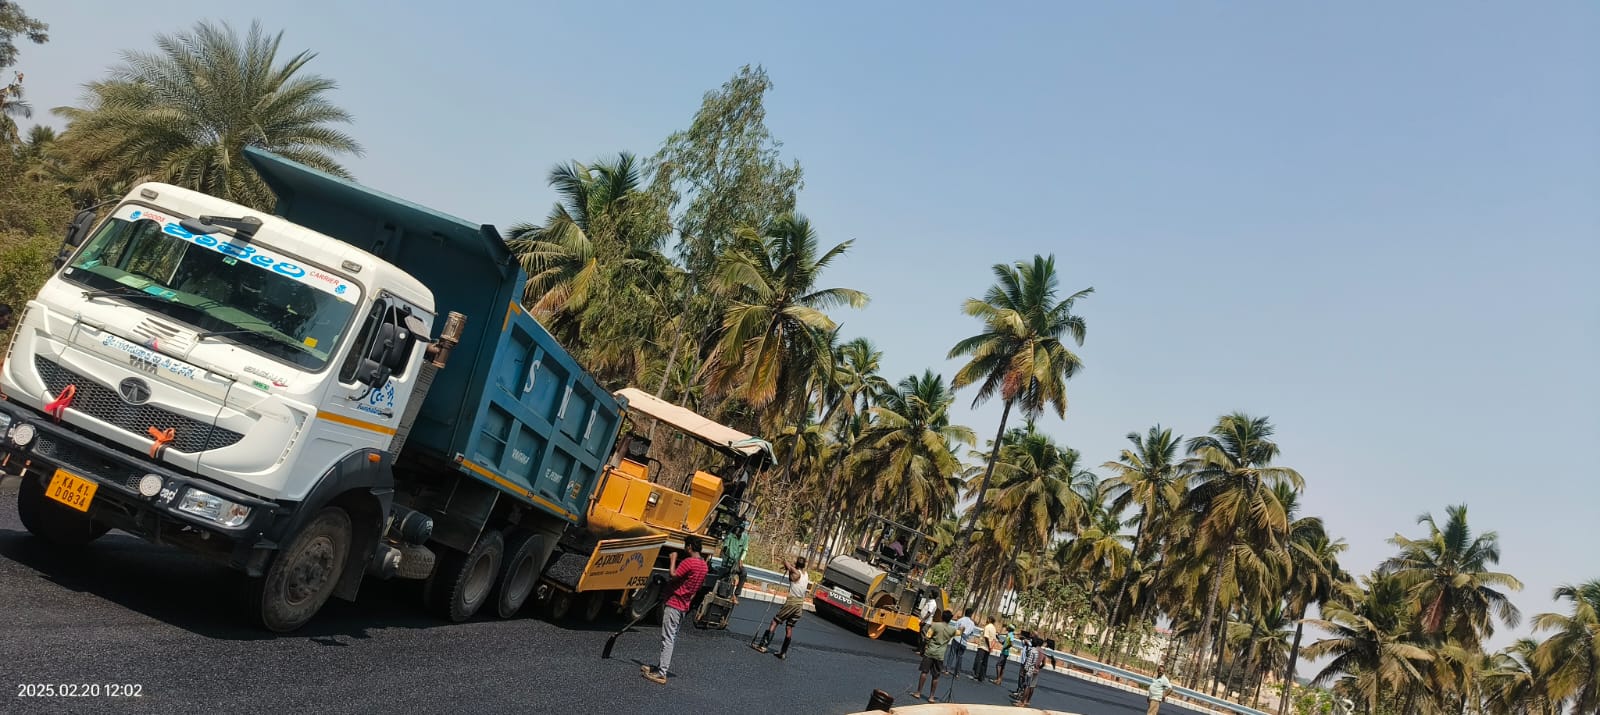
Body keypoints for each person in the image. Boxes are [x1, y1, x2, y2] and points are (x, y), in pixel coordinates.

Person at [642, 535, 708, 684]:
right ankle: (660, 667)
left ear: (689, 547)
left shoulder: (689, 562)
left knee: (668, 638)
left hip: (675, 604)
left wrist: (673, 558)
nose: (685, 548)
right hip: (684, 606)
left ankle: (661, 673)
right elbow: (697, 588)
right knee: (671, 636)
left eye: (685, 546)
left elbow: (673, 575)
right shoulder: (704, 565)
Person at [754, 555, 808, 659]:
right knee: (789, 627)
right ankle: (783, 652)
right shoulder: (805, 574)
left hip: (792, 602)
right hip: (800, 605)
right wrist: (790, 567)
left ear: (796, 564)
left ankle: (763, 646)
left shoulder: (796, 573)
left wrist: (784, 560)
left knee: (775, 621)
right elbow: (793, 570)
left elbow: (789, 566)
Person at [912, 610, 957, 702]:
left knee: (924, 672)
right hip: (940, 655)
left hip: (930, 652)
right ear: (950, 619)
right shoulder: (952, 630)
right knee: (936, 676)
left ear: (942, 617)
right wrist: (962, 628)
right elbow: (959, 632)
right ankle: (931, 697)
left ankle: (918, 692)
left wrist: (925, 647)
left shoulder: (935, 625)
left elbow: (927, 637)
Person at [1012, 635, 1046, 707]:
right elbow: (1044, 663)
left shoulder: (1034, 650)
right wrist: (1038, 668)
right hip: (1036, 670)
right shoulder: (1043, 652)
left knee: (1026, 686)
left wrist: (1024, 670)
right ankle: (1027, 701)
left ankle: (1022, 701)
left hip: (1030, 670)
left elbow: (1028, 661)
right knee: (1032, 686)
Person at [945, 610, 975, 675]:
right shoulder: (972, 624)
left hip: (957, 639)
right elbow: (971, 633)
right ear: (971, 615)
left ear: (965, 613)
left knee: (951, 654)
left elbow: (955, 629)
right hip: (964, 642)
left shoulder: (960, 620)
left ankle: (947, 669)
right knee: (959, 657)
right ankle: (957, 673)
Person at [972, 616, 998, 681]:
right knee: (984, 662)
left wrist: (989, 646)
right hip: (988, 648)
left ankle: (976, 674)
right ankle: (982, 676)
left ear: (989, 620)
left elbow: (986, 637)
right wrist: (991, 647)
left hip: (983, 646)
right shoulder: (994, 628)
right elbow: (994, 639)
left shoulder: (987, 627)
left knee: (978, 660)